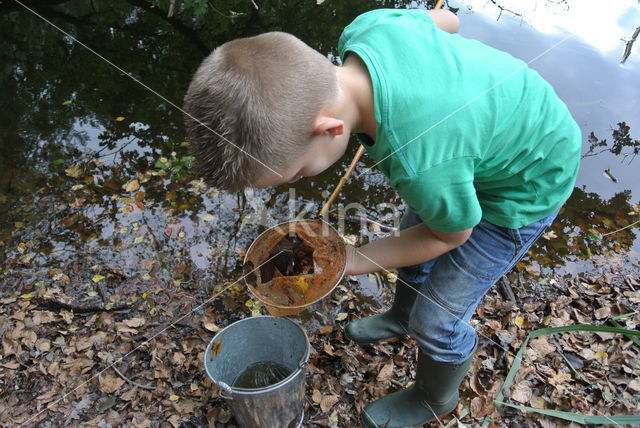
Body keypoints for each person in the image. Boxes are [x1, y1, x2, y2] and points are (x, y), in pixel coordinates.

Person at [183, 8, 581, 428]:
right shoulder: (368, 30)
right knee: (411, 244)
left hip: (525, 184)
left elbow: (451, 235)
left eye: (298, 172)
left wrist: (353, 260)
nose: (297, 180)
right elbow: (447, 22)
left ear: (330, 129)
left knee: (437, 318)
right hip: (479, 145)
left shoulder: (421, 160)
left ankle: (434, 397)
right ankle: (400, 316)